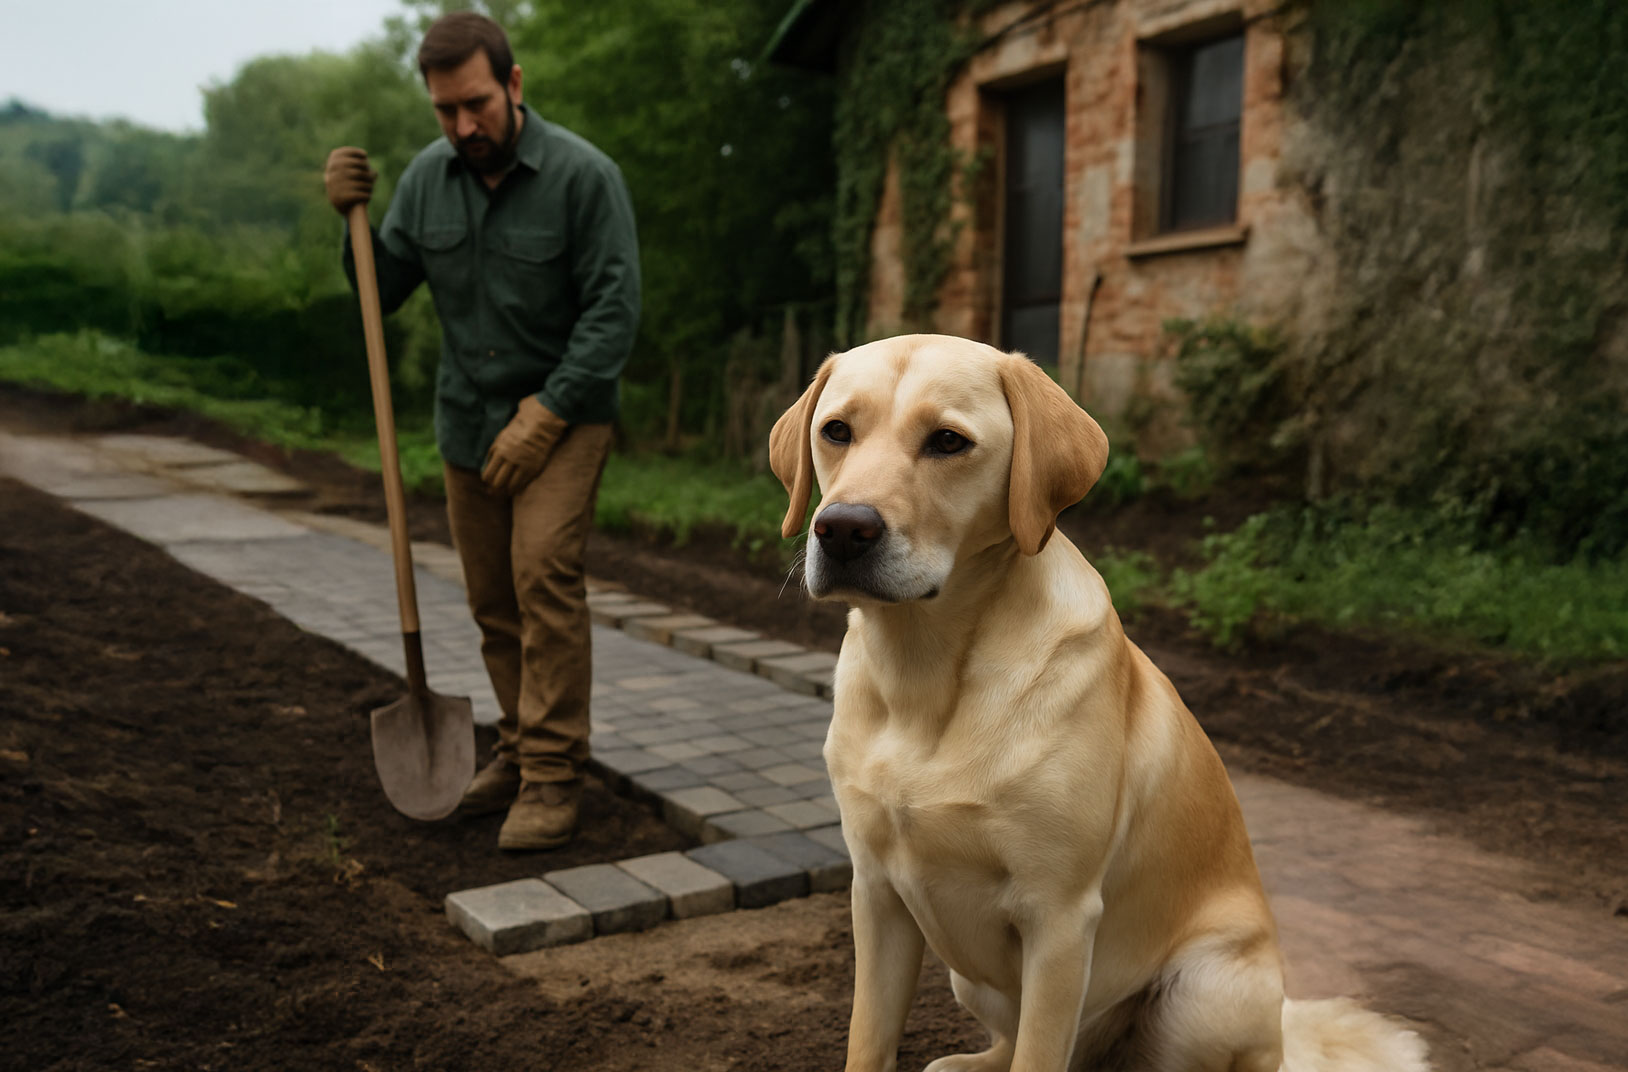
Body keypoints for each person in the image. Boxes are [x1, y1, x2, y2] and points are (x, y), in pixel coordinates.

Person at [323, 11, 640, 850]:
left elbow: (615, 313)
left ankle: (553, 777)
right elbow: (379, 290)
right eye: (445, 111)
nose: (464, 126)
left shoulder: (584, 178)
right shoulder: (427, 180)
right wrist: (346, 218)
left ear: (514, 85)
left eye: (476, 105)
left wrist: (547, 411)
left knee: (542, 578)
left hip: (565, 418)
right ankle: (517, 744)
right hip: (468, 424)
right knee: (493, 600)